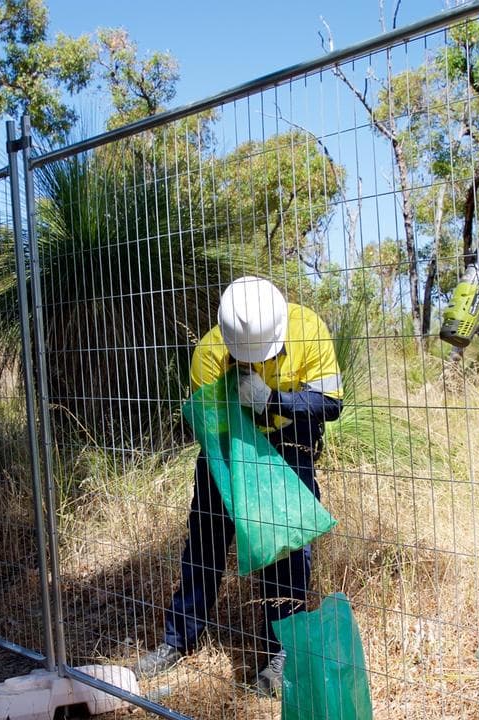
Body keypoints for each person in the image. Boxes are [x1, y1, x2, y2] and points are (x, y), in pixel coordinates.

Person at [135, 276, 343, 695]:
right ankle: (178, 639)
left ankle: (281, 653)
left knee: (287, 551)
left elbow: (332, 403)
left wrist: (275, 402)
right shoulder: (209, 352)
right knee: (205, 545)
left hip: (289, 450)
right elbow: (211, 430)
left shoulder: (308, 329)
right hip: (227, 456)